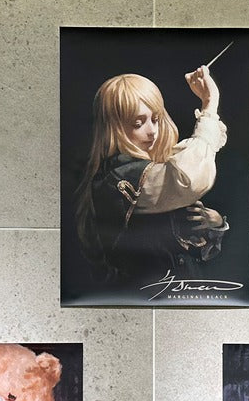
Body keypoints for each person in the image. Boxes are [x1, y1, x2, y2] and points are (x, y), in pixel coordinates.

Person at [72, 67, 229, 290]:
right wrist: (210, 104)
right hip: (146, 292)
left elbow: (192, 248)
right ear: (114, 128)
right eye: (138, 124)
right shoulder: (119, 175)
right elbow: (189, 181)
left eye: (155, 119)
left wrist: (215, 223)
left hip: (179, 290)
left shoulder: (147, 171)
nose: (152, 131)